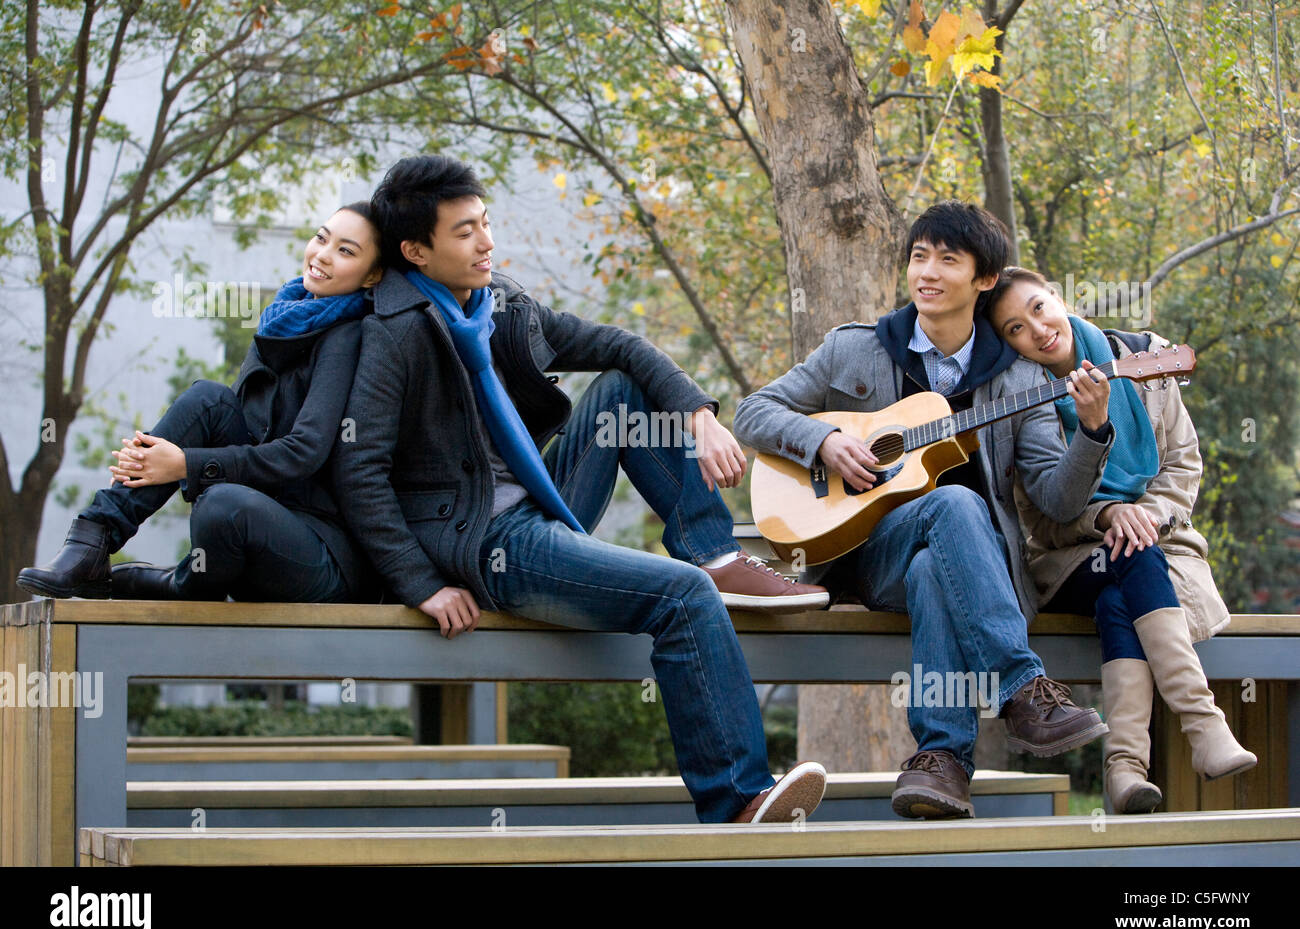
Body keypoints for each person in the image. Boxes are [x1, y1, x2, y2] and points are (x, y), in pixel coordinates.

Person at [331, 155, 827, 824]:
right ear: (417, 250)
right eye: (465, 232)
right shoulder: (395, 334)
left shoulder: (499, 303)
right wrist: (420, 581)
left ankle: (712, 549)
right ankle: (738, 798)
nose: (486, 242)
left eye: (486, 223)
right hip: (486, 542)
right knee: (682, 597)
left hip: (539, 505)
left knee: (625, 390)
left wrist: (699, 414)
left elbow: (620, 344)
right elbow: (358, 471)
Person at [734, 201, 1113, 820]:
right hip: (861, 561)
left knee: (936, 563)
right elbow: (754, 412)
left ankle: (941, 763)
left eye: (947, 259)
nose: (927, 272)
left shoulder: (1020, 381)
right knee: (953, 503)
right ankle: (1022, 688)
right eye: (919, 257)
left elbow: (1057, 498)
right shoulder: (854, 350)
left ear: (984, 279)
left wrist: (1093, 430)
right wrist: (822, 441)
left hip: (971, 575)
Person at [18, 202, 385, 604]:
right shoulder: (285, 318)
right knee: (208, 400)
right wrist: (158, 458)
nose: (323, 254)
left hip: (317, 549)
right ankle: (92, 538)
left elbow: (305, 452)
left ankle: (183, 583)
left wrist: (183, 464)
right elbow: (236, 422)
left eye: (346, 251)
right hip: (265, 509)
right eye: (321, 237)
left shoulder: (348, 337)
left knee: (222, 504)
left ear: (373, 275)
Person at [986, 266, 1255, 813]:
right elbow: (1041, 520)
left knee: (1122, 581)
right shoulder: (1021, 396)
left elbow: (1182, 466)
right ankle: (1202, 724)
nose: (1036, 330)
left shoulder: (1142, 355)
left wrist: (1144, 516)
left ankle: (1126, 771)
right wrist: (1106, 514)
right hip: (1064, 561)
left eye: (1038, 308)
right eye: (1015, 328)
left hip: (1149, 548)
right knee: (1129, 556)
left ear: (1058, 298)